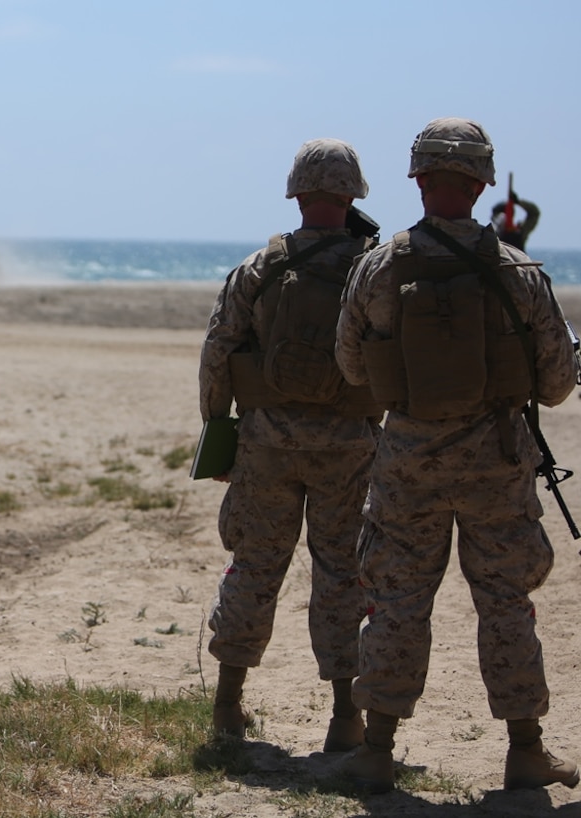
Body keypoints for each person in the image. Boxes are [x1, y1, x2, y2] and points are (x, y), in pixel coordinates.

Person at [335, 117, 579, 793]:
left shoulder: (378, 267)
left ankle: (376, 749)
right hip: (496, 462)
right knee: (506, 604)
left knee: (395, 600)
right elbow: (558, 384)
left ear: (418, 180)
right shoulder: (521, 273)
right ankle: (526, 749)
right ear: (480, 183)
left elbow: (352, 367)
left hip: (408, 462)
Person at [198, 138, 382, 751]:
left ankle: (227, 707)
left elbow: (218, 352)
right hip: (349, 445)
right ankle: (343, 718)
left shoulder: (260, 266)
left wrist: (218, 430)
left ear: (297, 194)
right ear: (352, 195)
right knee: (341, 574)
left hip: (266, 443)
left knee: (254, 566)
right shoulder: (373, 269)